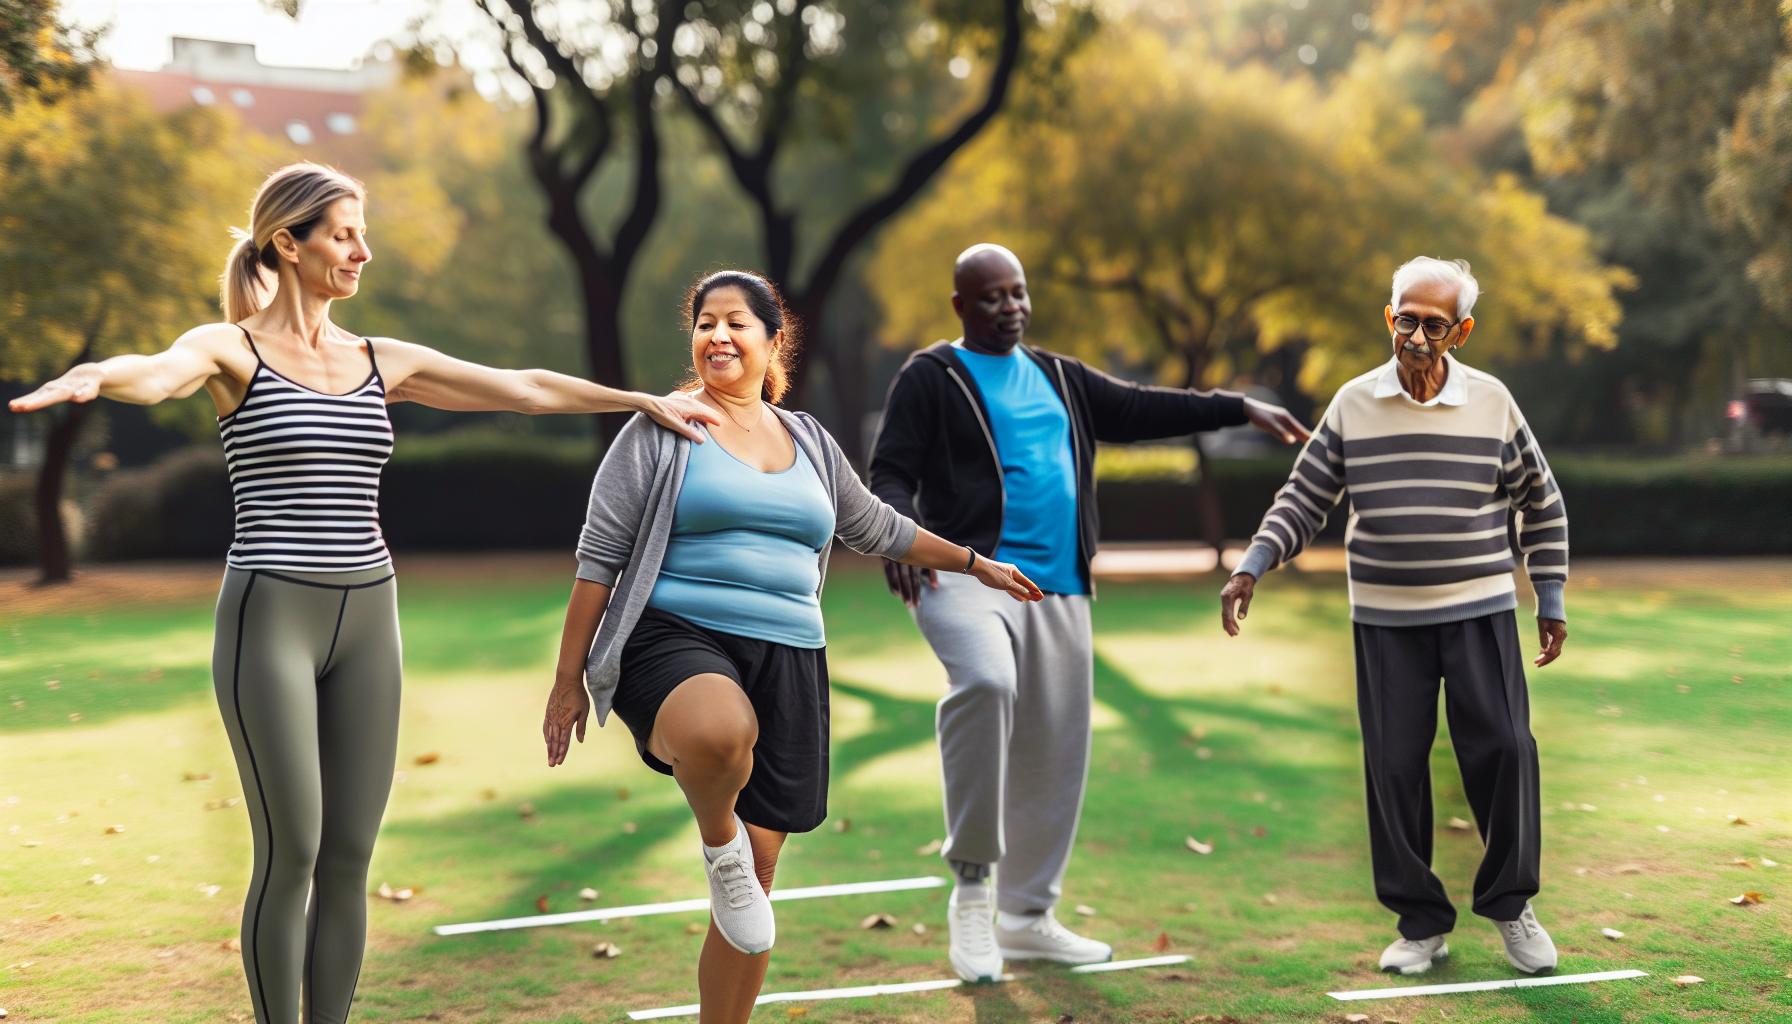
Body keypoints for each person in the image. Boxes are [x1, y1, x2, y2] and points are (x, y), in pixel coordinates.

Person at [6, 162, 721, 1024]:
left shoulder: (381, 359)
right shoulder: (231, 347)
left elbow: (524, 388)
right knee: (293, 849)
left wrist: (641, 398)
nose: (362, 252)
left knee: (349, 854)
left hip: (368, 617)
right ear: (288, 242)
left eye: (360, 234)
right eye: (344, 235)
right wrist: (98, 376)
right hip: (271, 612)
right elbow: (160, 372)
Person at [539, 269, 1043, 1023]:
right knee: (717, 734)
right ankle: (719, 845)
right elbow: (598, 556)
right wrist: (567, 678)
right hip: (675, 637)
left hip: (790, 656)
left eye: (737, 323)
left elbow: (875, 526)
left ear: (774, 340)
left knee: (758, 882)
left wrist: (976, 562)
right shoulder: (662, 427)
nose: (718, 336)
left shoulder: (807, 438)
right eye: (706, 322)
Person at [867, 243, 1310, 982]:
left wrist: (1239, 406)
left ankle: (1028, 917)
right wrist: (900, 539)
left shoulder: (1059, 376)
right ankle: (974, 888)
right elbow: (890, 472)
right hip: (969, 575)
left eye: (1018, 293)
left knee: (1056, 751)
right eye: (991, 297)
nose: (1009, 307)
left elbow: (1141, 406)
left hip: (1060, 587)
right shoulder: (932, 377)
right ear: (960, 307)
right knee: (986, 684)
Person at [1221, 256, 1569, 977]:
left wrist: (1550, 596)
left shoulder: (1493, 401)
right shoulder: (1353, 403)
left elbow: (1542, 499)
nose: (1415, 334)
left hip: (1479, 610)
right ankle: (1420, 924)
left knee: (1505, 749)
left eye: (1433, 324)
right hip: (1385, 618)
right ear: (1389, 318)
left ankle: (1509, 905)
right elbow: (1304, 496)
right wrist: (1253, 562)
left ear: (1461, 332)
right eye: (1405, 318)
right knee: (1395, 767)